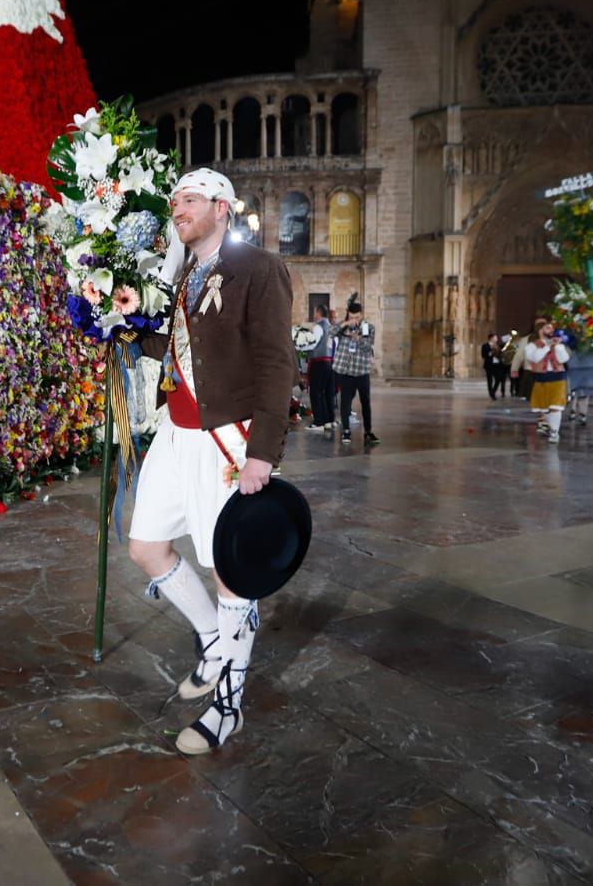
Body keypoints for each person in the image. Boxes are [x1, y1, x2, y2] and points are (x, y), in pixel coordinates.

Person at [126, 167, 294, 756]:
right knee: (146, 547)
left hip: (229, 439)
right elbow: (176, 345)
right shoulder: (182, 275)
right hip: (175, 434)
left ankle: (228, 706)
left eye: (190, 200)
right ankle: (211, 638)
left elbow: (277, 363)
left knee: (232, 570)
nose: (178, 208)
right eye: (175, 201)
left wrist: (263, 452)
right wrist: (122, 318)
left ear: (221, 208)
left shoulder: (259, 269)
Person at [333, 296, 378, 447]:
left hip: (362, 371)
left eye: (357, 317)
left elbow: (368, 347)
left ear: (362, 315)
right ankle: (346, 430)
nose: (354, 320)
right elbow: (330, 333)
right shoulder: (343, 327)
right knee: (345, 402)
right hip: (347, 371)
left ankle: (368, 431)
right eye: (352, 317)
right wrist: (345, 324)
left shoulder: (368, 328)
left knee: (365, 402)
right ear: (348, 314)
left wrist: (357, 338)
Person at [525, 322, 570, 442]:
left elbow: (564, 359)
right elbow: (535, 358)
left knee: (556, 406)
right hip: (541, 379)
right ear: (540, 330)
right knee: (545, 407)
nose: (551, 330)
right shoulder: (532, 346)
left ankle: (554, 432)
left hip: (558, 377)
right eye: (547, 328)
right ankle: (551, 427)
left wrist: (558, 346)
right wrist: (547, 347)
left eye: (552, 328)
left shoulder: (559, 344)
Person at [305, 304, 336, 430]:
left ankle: (318, 422)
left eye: (315, 312)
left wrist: (300, 346)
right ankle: (328, 420)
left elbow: (312, 343)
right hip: (329, 362)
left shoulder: (319, 327)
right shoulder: (330, 327)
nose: (314, 315)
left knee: (316, 392)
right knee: (327, 393)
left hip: (319, 362)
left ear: (318, 313)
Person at [481, 335, 506, 400]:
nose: (497, 339)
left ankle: (493, 391)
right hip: (489, 365)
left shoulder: (497, 346)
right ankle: (491, 393)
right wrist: (491, 352)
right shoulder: (485, 346)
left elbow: (500, 354)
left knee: (498, 379)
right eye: (495, 338)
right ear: (491, 338)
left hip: (497, 365)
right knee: (490, 380)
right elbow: (483, 355)